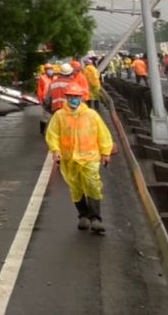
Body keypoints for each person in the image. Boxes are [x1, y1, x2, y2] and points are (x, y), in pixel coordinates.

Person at [46, 84, 114, 234]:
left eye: (76, 97)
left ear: (81, 98)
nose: (73, 100)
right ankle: (83, 215)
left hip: (90, 157)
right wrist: (56, 150)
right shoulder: (59, 116)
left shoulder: (91, 115)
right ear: (66, 97)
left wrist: (105, 153)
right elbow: (53, 135)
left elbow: (103, 135)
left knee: (92, 185)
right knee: (76, 188)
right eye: (70, 97)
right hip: (69, 160)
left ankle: (96, 219)